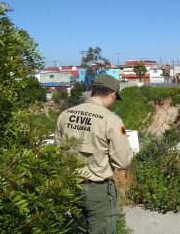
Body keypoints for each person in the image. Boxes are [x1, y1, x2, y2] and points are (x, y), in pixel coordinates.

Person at [55, 75, 133, 234]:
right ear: (113, 95)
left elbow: (57, 152)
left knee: (80, 230)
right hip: (98, 190)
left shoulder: (65, 115)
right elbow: (123, 161)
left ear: (94, 91)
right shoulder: (111, 120)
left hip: (71, 186)